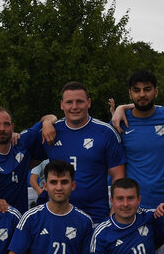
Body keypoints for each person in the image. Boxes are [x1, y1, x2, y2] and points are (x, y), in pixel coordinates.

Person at [34, 82, 125, 223]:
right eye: (69, 102)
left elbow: (119, 177)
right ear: (61, 105)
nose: (74, 107)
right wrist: (45, 121)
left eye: (79, 102)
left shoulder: (106, 133)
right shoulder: (50, 131)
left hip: (95, 218)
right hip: (56, 217)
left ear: (88, 103)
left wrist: (114, 214)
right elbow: (24, 162)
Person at [116, 71, 164, 210]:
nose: (142, 95)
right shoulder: (119, 122)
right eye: (136, 90)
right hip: (133, 205)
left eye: (147, 89)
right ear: (130, 94)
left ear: (156, 92)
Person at [0, 107, 46, 214]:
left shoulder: (21, 142)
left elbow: (47, 118)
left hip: (20, 219)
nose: (2, 129)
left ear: (12, 127)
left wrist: (48, 121)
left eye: (6, 124)